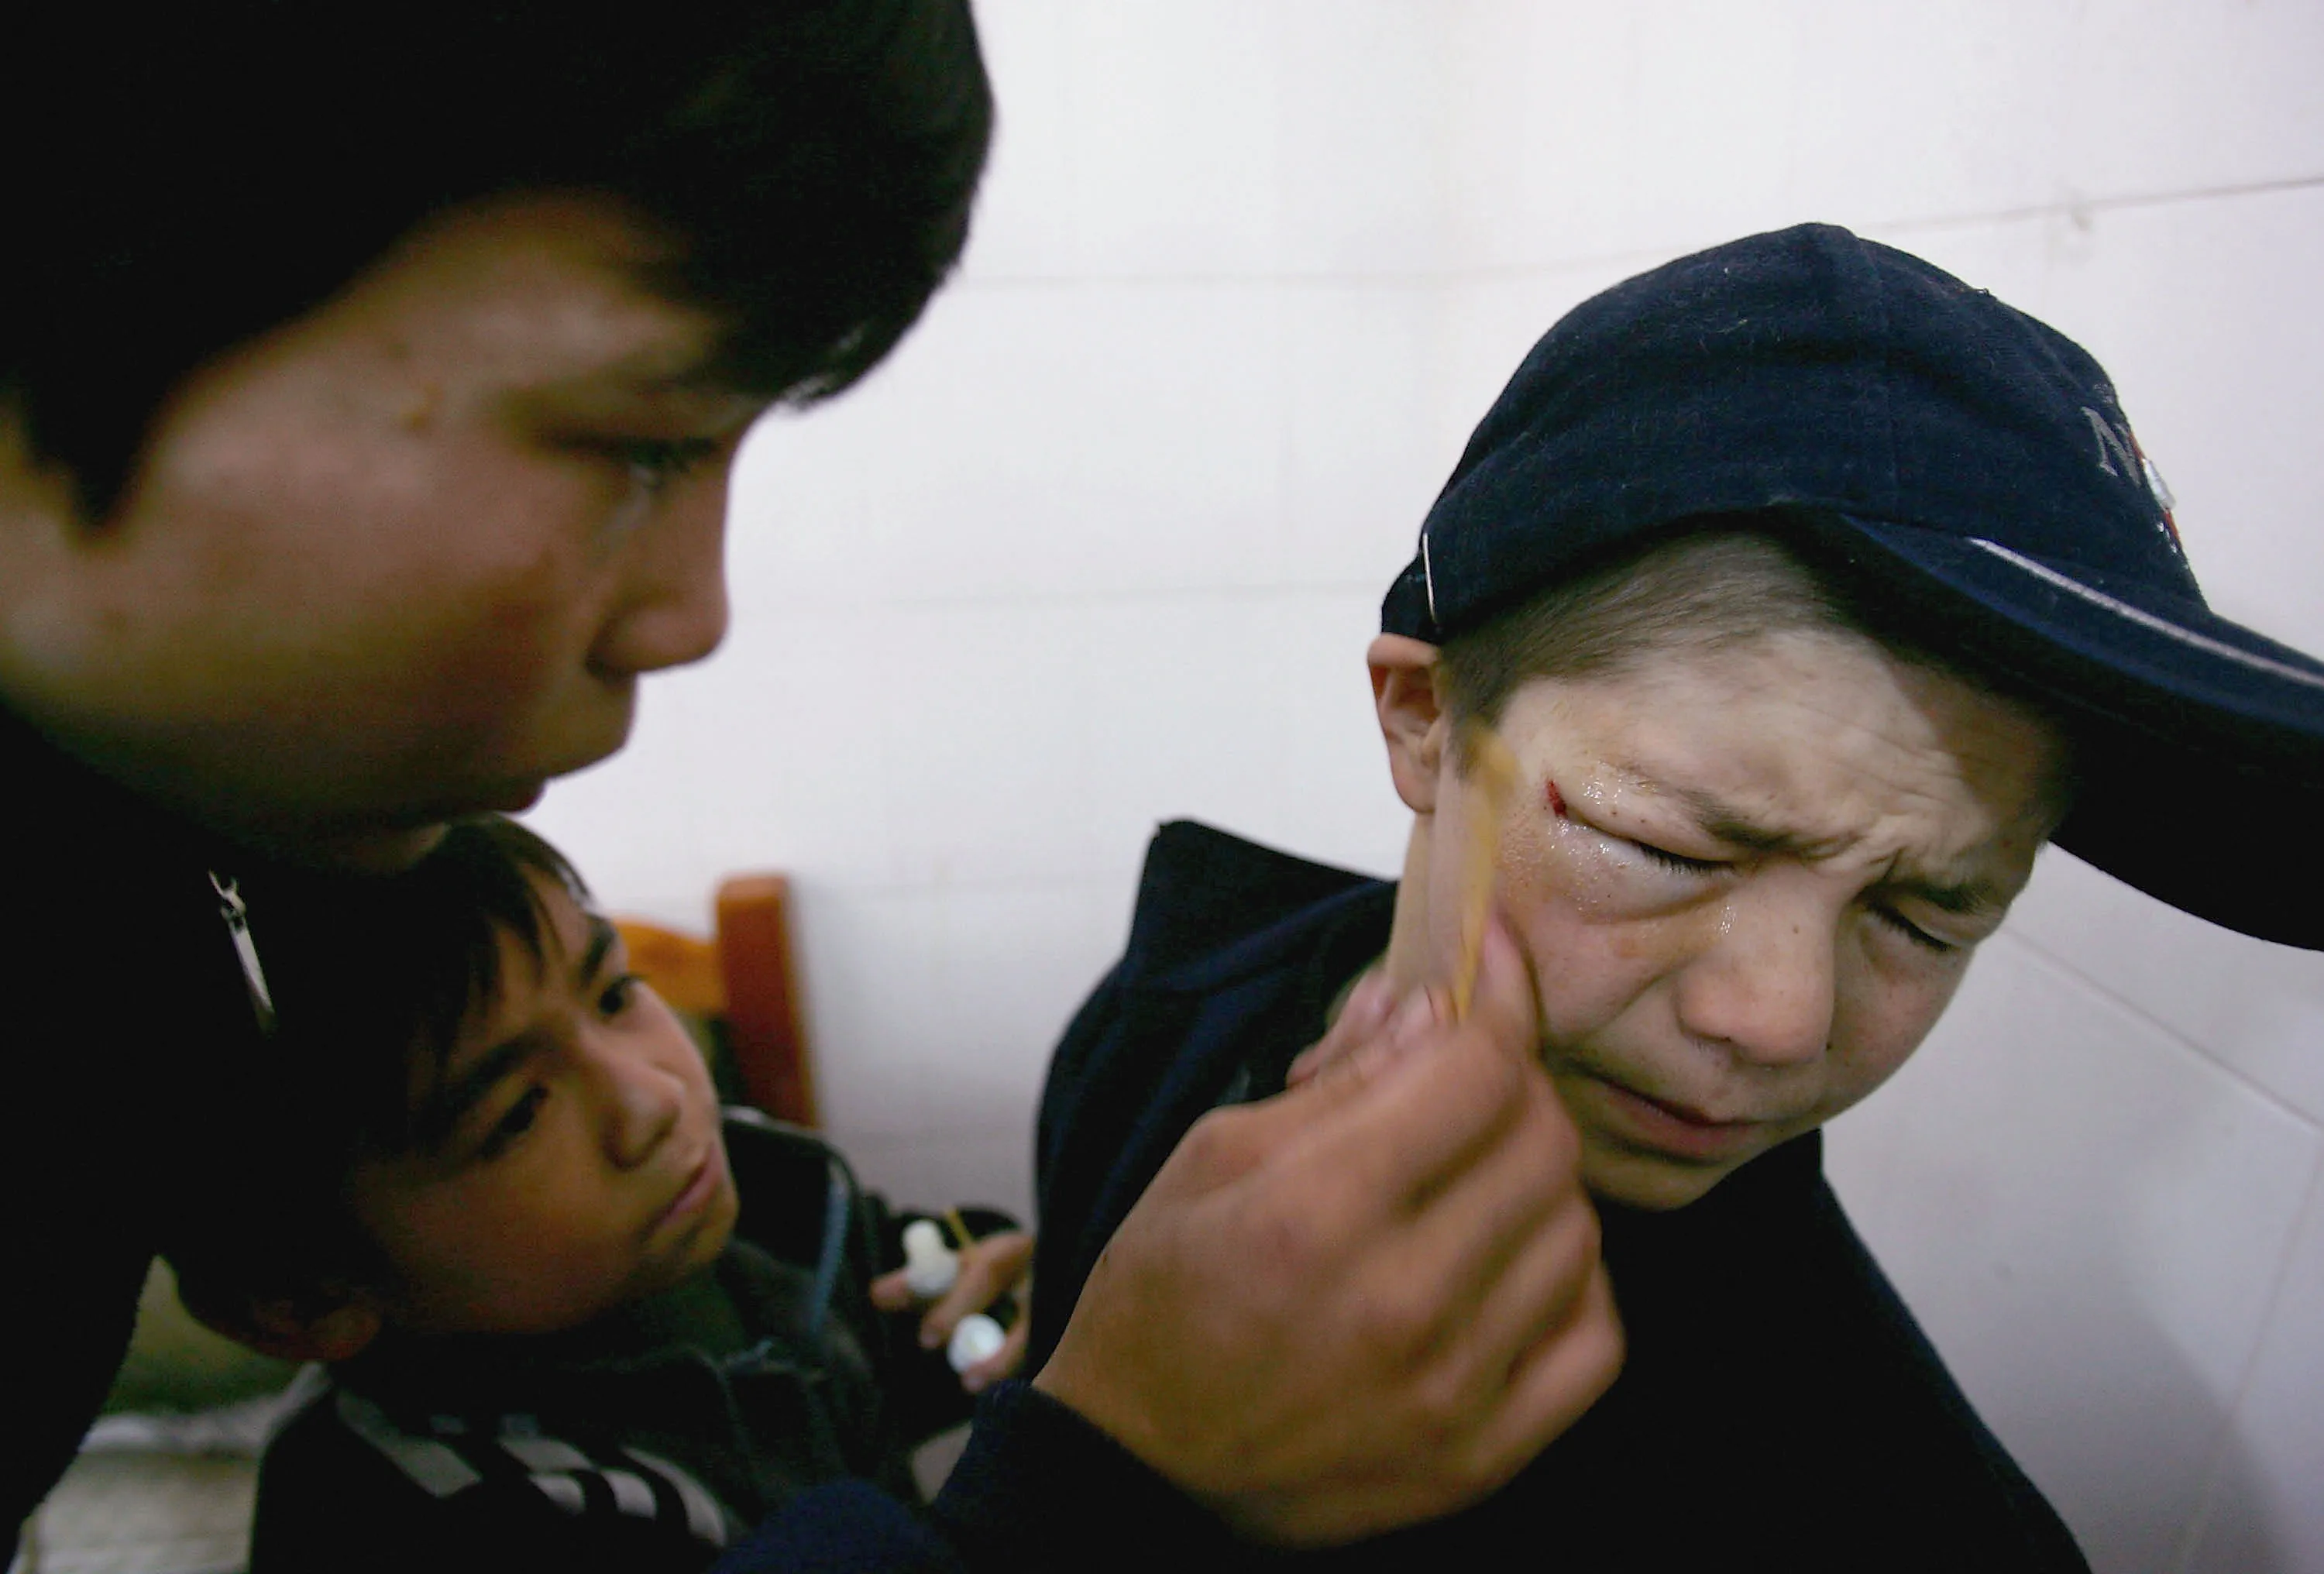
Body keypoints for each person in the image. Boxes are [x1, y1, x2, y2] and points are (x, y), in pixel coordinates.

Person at [0, 5, 1619, 1566]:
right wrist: (1096, 1474)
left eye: (616, 991)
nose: (692, 615)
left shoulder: (775, 1210)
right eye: (639, 443)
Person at [1024, 223, 2324, 1570]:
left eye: (1926, 916)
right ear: (1424, 716)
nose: (1781, 1019)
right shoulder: (1174, 1000)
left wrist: (1075, 1482)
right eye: (1671, 849)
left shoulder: (1892, 1516)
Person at [168, 815, 1026, 1572]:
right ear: (307, 1300)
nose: (656, 1100)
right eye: (518, 1114)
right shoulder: (412, 1528)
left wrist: (997, 1290)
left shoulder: (759, 1200)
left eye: (614, 994)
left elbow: (892, 1330)